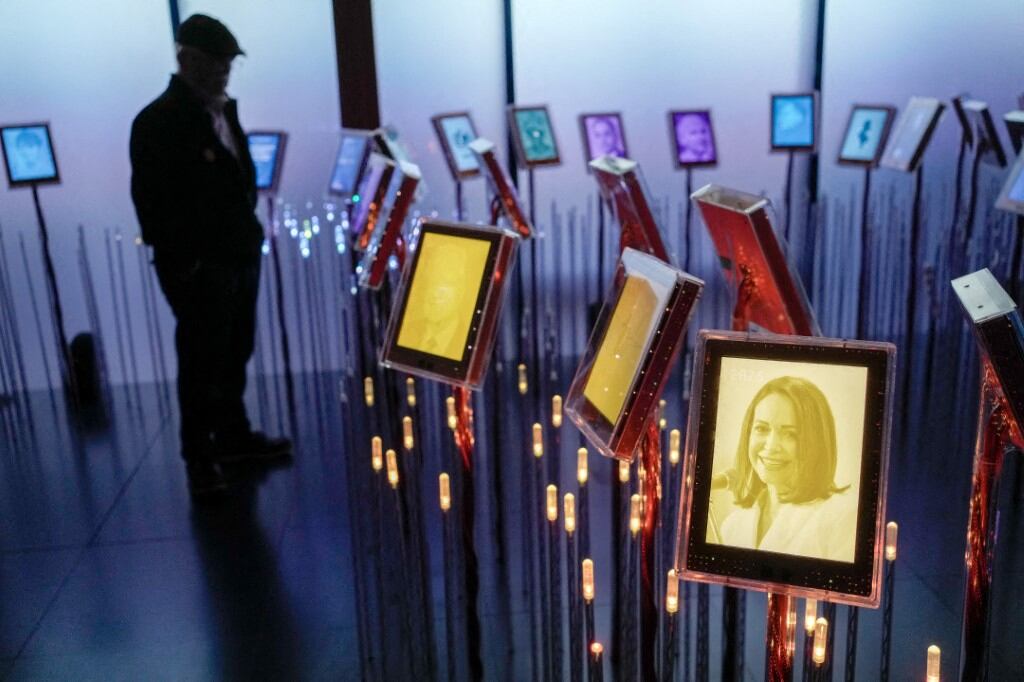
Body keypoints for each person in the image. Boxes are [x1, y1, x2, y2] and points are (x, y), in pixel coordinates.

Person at [130, 14, 291, 498]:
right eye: (215, 63)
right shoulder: (159, 121)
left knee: (235, 349)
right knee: (201, 361)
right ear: (187, 60)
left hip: (238, 254)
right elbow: (152, 202)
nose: (223, 72)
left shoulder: (221, 113)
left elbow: (237, 180)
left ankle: (232, 436)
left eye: (226, 64)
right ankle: (200, 458)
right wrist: (189, 266)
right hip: (201, 265)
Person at [713, 376, 856, 562]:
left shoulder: (843, 518)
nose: (771, 446)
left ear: (817, 443)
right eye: (762, 429)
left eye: (790, 434)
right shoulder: (732, 526)